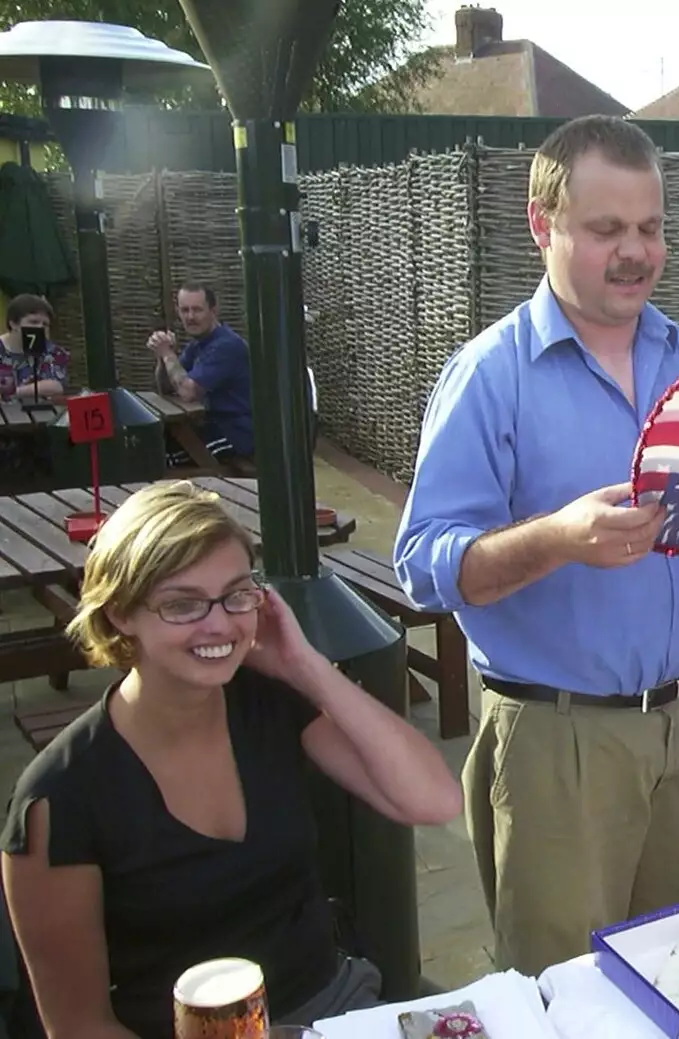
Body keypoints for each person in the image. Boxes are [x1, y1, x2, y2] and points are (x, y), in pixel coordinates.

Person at [396, 114, 679, 977]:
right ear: (544, 224)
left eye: (650, 228)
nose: (636, 251)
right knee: (561, 996)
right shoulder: (491, 375)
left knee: (675, 973)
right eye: (607, 229)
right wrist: (557, 539)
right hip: (555, 743)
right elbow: (422, 564)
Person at [2, 482, 462, 1039]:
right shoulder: (60, 798)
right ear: (121, 613)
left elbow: (432, 799)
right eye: (183, 604)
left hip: (334, 1006)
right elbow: (78, 1025)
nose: (218, 624)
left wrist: (305, 667)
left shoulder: (269, 705)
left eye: (237, 595)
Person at [145, 283, 254, 466]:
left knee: (159, 462)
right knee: (148, 445)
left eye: (197, 310)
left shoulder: (226, 346)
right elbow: (166, 387)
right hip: (208, 426)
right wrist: (162, 357)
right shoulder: (198, 345)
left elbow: (188, 392)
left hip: (236, 433)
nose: (190, 317)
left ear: (213, 310)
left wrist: (167, 354)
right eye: (184, 310)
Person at [0, 294, 67, 402]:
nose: (40, 327)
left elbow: (55, 386)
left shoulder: (53, 352)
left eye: (45, 324)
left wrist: (13, 393)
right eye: (33, 322)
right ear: (13, 324)